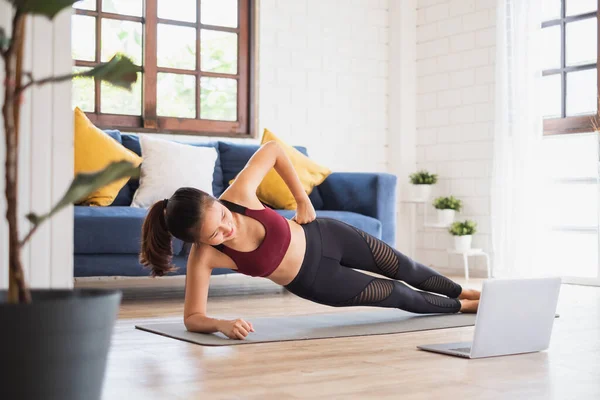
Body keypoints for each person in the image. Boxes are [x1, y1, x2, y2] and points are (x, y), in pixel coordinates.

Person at [140, 141, 481, 340]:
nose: (226, 229)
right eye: (215, 234)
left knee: (405, 266)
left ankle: (462, 290)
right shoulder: (204, 258)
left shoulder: (238, 194)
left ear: (216, 202)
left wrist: (301, 198)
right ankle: (463, 308)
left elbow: (273, 149)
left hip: (328, 235)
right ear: (197, 240)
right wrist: (221, 324)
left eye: (223, 218)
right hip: (318, 281)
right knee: (397, 293)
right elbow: (192, 317)